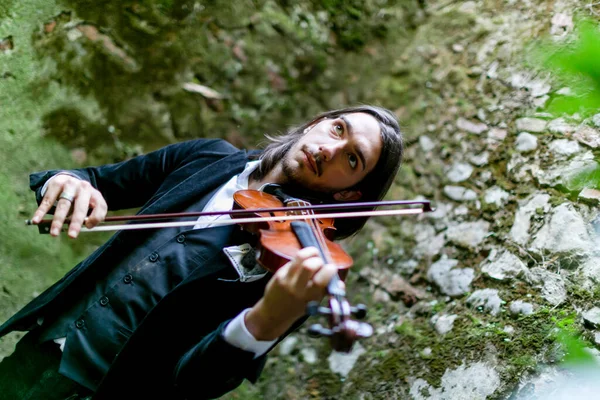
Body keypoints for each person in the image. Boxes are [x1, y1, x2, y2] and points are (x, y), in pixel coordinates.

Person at [0, 105, 403, 400]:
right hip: (41, 345)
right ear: (317, 123)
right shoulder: (206, 157)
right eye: (337, 129)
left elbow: (195, 381)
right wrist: (70, 182)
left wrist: (263, 322)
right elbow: (97, 181)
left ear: (349, 194)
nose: (330, 150)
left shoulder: (296, 263)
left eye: (352, 158)